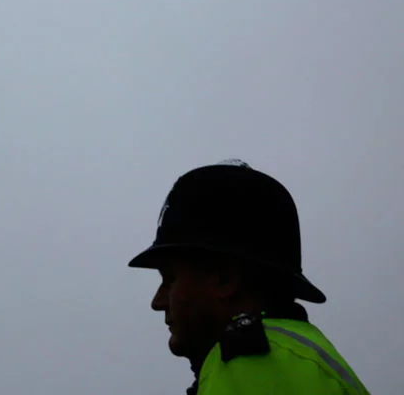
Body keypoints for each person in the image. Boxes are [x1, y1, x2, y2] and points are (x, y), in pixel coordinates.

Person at [128, 159, 370, 394]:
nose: (157, 302)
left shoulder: (251, 365)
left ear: (225, 280)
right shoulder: (297, 357)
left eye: (170, 279)